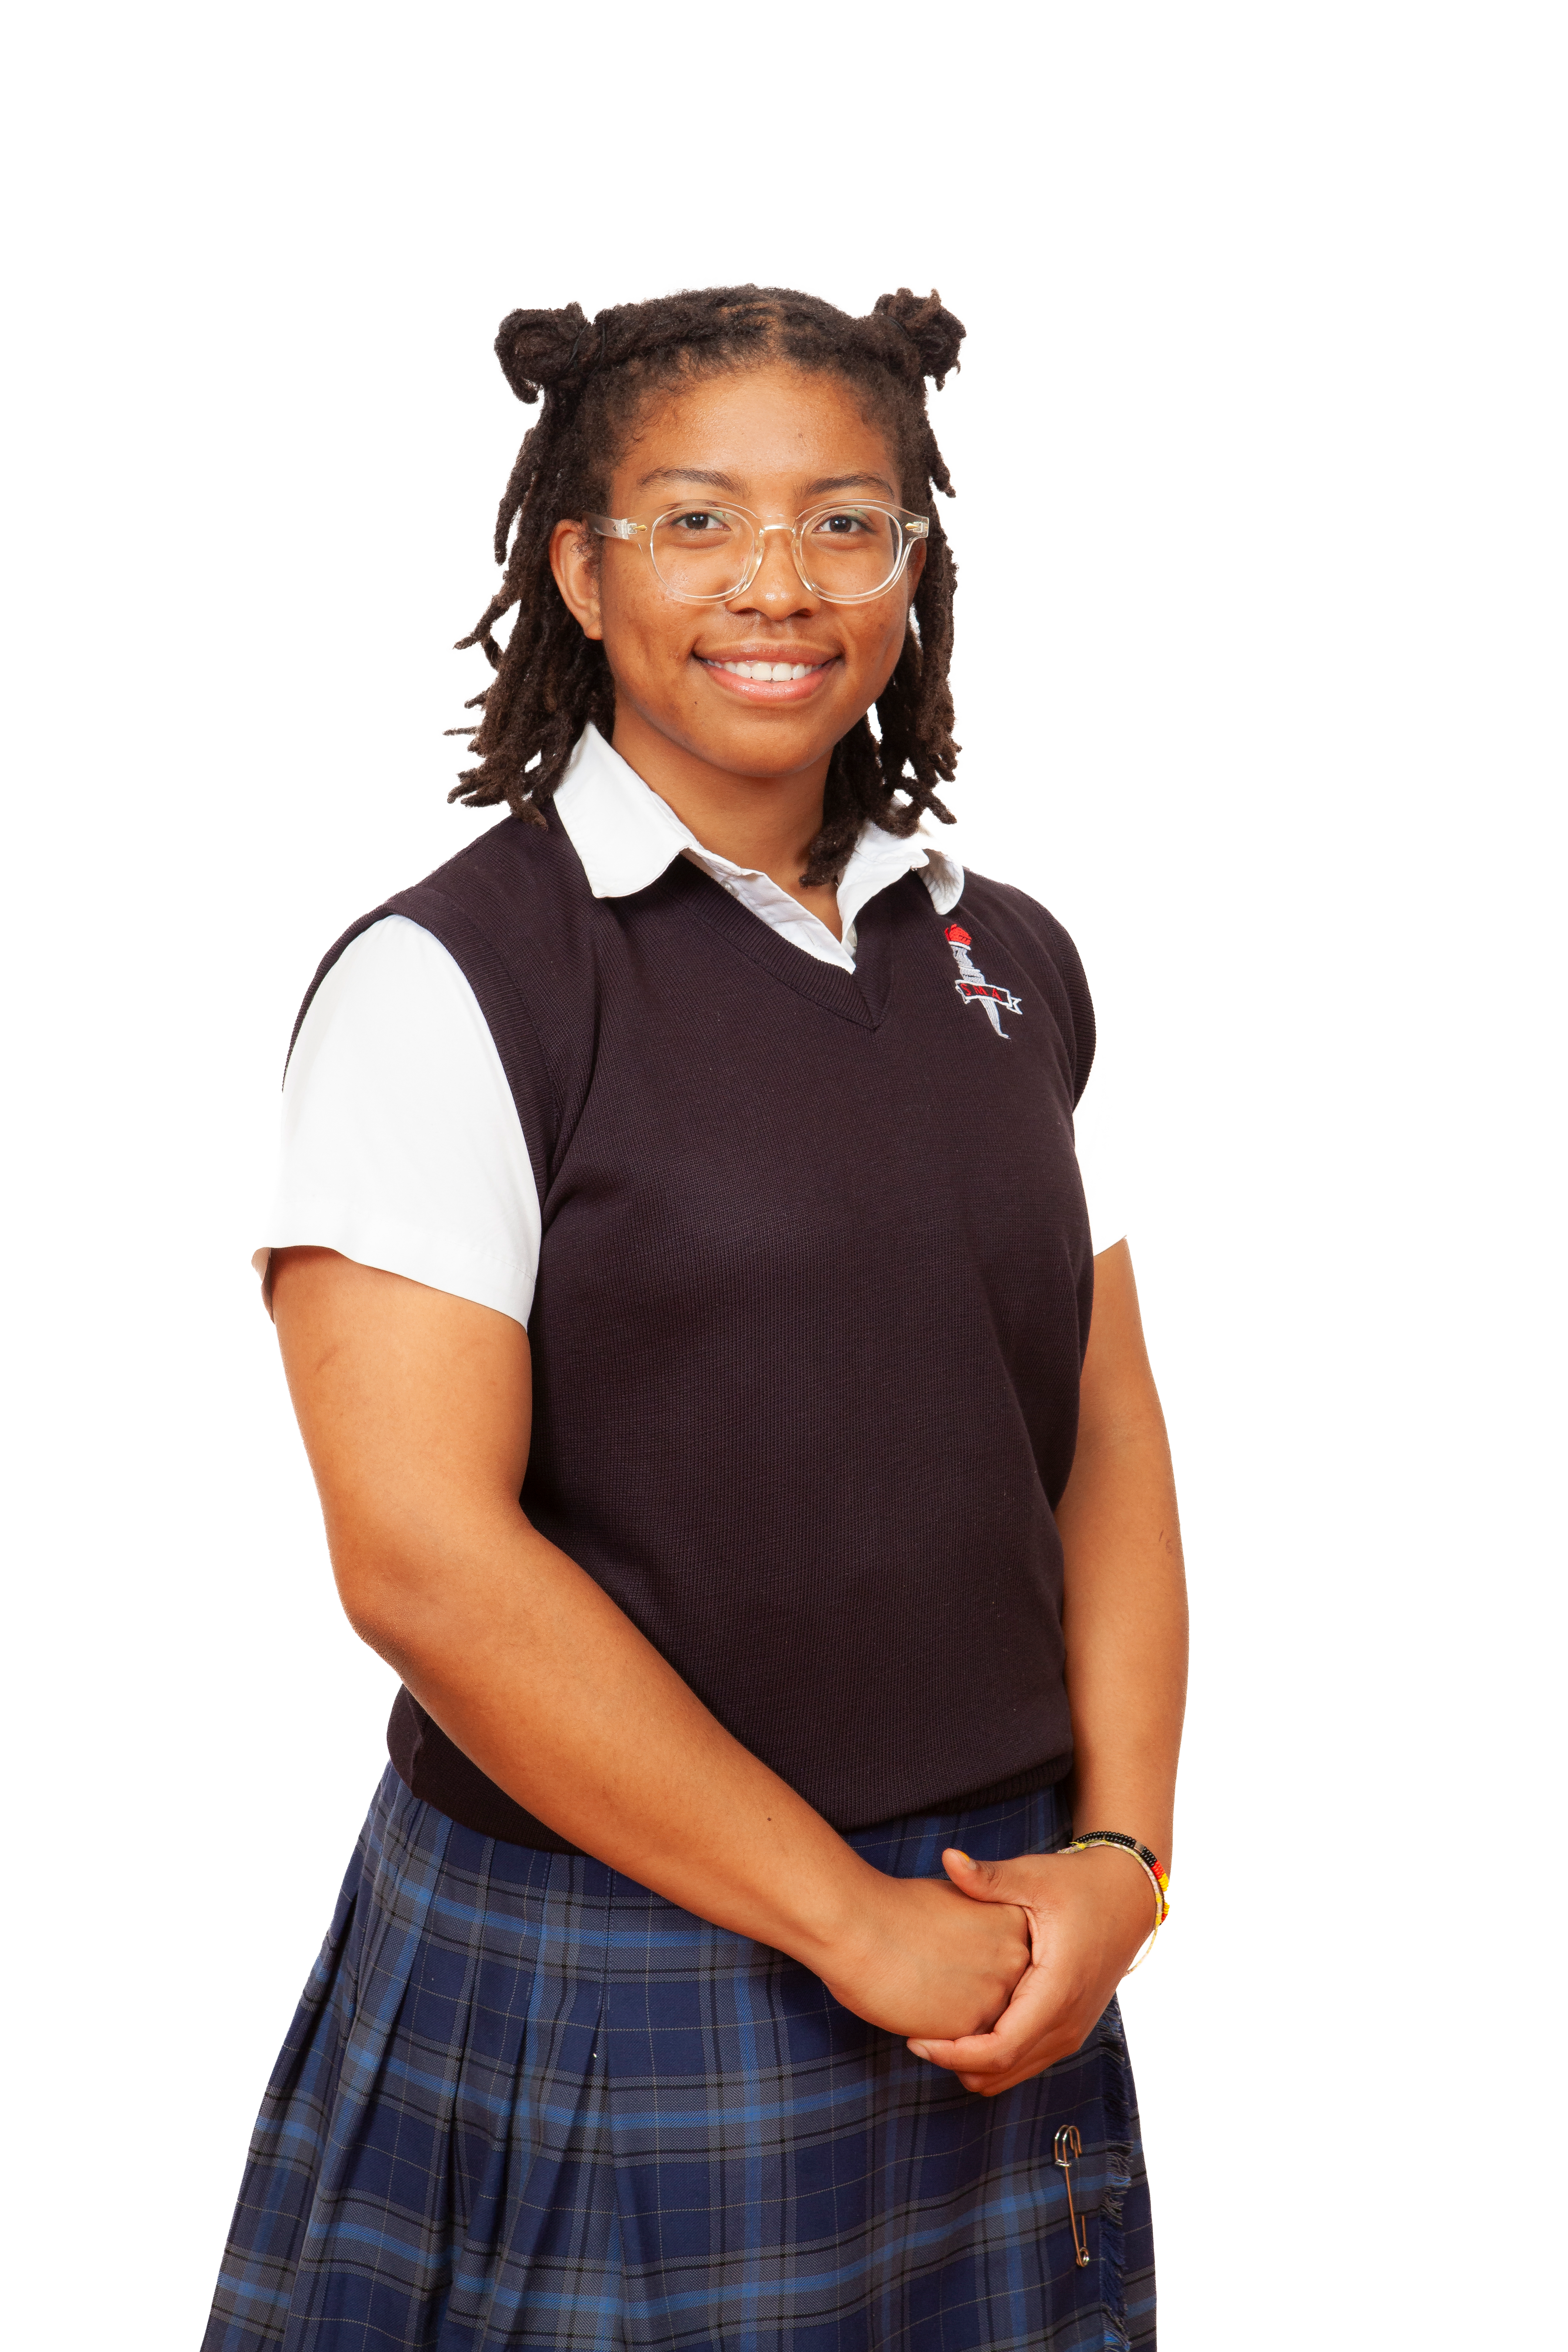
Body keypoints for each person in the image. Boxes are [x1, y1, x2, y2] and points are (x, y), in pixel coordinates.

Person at [205, 280, 1188, 2351]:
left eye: (847, 520)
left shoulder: (1012, 952)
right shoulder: (448, 982)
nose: (781, 582)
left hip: (1002, 1947)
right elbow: (423, 1567)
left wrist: (1120, 1856)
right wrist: (844, 1926)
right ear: (576, 559)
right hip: (619, 1966)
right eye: (697, 518)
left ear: (914, 562)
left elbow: (1101, 1437)